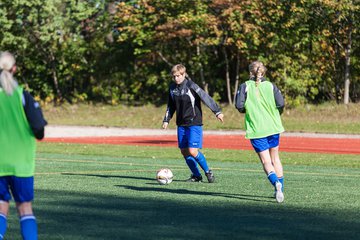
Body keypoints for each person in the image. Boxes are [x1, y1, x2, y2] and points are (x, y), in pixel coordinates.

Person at [0, 51, 47, 240]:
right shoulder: (22, 95)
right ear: (14, 69)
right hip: (21, 164)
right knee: (25, 208)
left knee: (1, 207)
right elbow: (38, 128)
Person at [162, 64, 224, 183]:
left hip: (194, 122)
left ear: (184, 74)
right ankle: (196, 175)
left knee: (192, 151)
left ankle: (208, 171)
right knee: (184, 151)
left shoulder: (191, 85)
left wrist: (217, 111)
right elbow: (171, 106)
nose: (176, 78)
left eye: (178, 76)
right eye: (174, 76)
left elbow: (205, 97)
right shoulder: (172, 88)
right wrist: (166, 120)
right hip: (181, 124)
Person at [235, 60, 285, 203]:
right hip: (273, 126)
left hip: (257, 128)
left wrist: (249, 110)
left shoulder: (245, 86)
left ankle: (276, 182)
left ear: (251, 72)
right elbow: (280, 103)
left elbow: (239, 106)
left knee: (266, 161)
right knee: (276, 158)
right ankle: (279, 189)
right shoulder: (271, 86)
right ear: (264, 71)